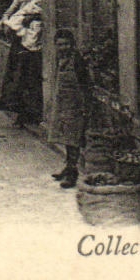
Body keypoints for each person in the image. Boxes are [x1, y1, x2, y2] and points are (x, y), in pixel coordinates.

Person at [0, 0, 43, 128]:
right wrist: (6, 21)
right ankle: (20, 114)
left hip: (37, 41)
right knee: (18, 77)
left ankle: (34, 113)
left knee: (33, 77)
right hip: (21, 41)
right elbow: (9, 12)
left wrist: (34, 18)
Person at [48, 28, 91, 188]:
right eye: (60, 44)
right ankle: (67, 167)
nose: (63, 47)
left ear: (72, 45)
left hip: (75, 106)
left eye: (66, 44)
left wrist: (85, 107)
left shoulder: (77, 61)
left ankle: (72, 173)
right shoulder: (59, 59)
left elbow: (86, 85)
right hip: (62, 104)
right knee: (66, 138)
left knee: (73, 140)